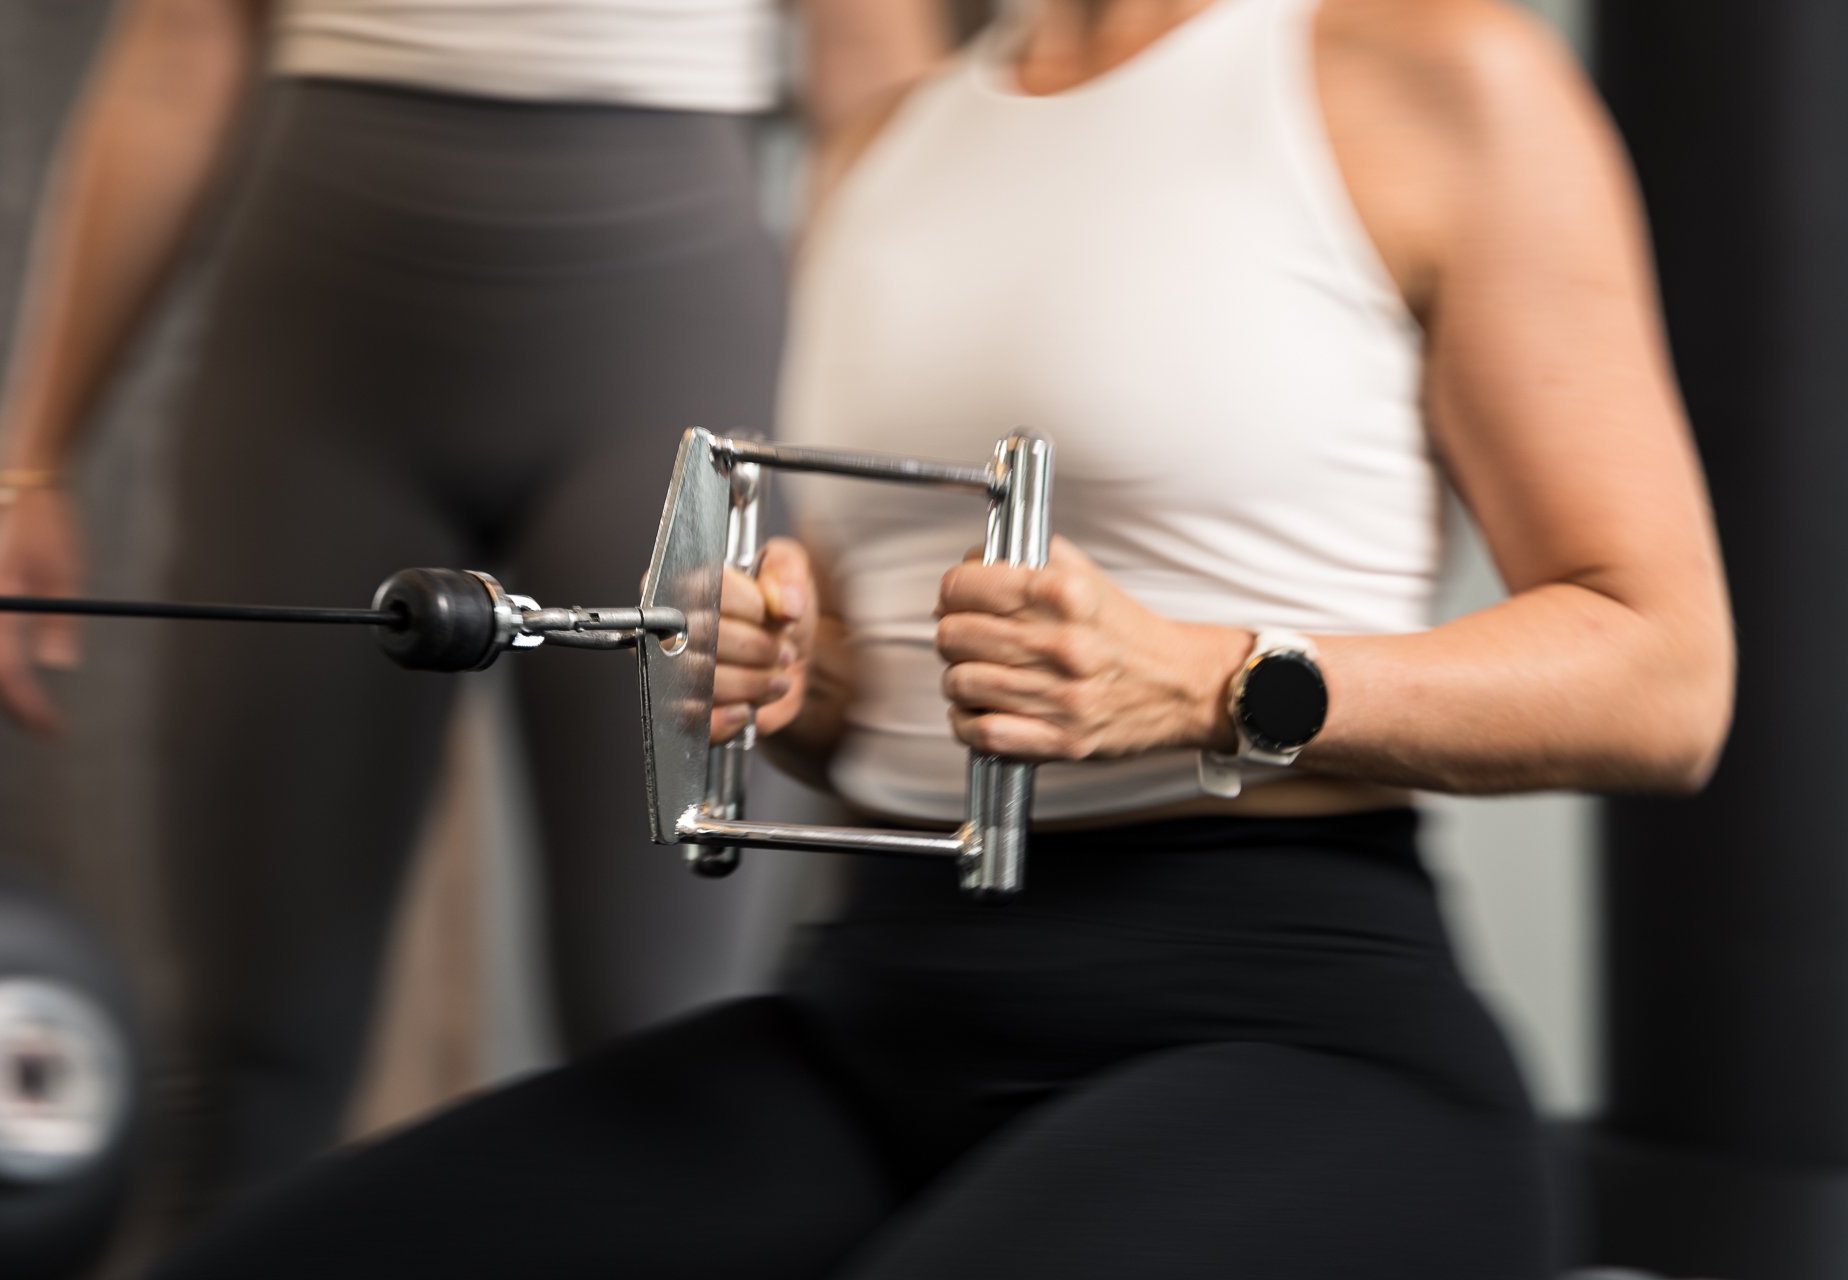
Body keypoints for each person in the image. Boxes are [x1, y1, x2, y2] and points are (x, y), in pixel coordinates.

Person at [146, 0, 1733, 1274]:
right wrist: (805, 688)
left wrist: (1205, 679)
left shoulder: (1435, 70)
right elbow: (878, 709)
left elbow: (1664, 676)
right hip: (881, 1019)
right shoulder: (886, 144)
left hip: (1294, 1028)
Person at [0, 0, 947, 1237]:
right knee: (245, 1061)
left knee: (665, 1042)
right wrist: (31, 460)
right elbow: (177, 47)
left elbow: (874, 80)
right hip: (323, 349)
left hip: (670, 346)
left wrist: (892, 520)